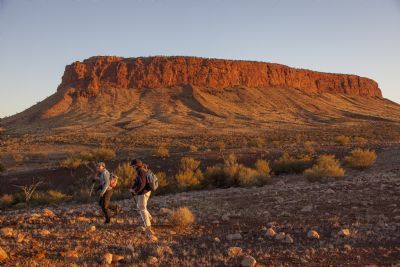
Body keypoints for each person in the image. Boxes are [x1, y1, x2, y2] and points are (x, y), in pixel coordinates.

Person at [130, 159, 157, 241]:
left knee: (142, 209)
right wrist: (133, 187)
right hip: (146, 192)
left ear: (136, 165)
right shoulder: (142, 170)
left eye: (133, 166)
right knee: (140, 206)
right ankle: (151, 219)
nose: (132, 167)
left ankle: (148, 227)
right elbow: (139, 182)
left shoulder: (140, 171)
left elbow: (142, 184)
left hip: (143, 193)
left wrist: (135, 191)